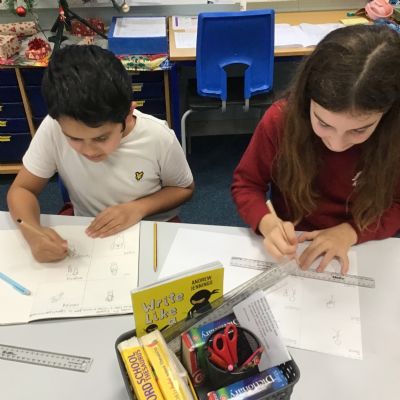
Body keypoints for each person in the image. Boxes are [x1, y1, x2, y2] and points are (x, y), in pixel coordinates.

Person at [231, 25, 400, 274]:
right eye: (324, 124)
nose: (337, 144)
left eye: (359, 130)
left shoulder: (394, 136)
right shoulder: (280, 120)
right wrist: (266, 222)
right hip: (295, 240)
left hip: (363, 243)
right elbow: (246, 184)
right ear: (306, 98)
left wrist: (350, 232)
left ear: (388, 115)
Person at [7, 45, 194, 263]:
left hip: (152, 224)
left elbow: (184, 189)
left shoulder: (157, 136)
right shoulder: (53, 128)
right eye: (74, 139)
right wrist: (32, 232)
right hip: (90, 229)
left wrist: (139, 208)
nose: (88, 151)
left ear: (128, 114)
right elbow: (21, 190)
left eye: (101, 138)